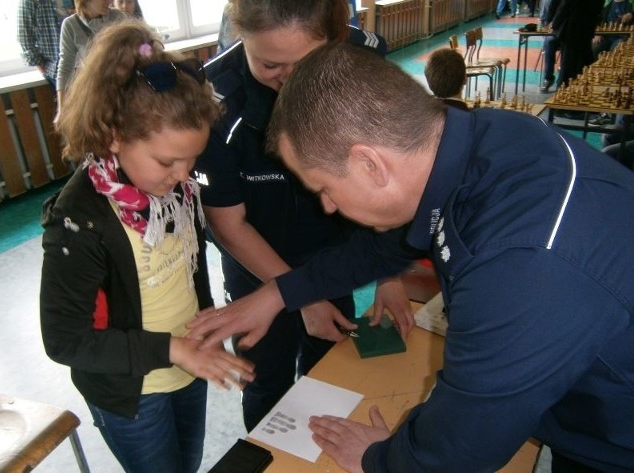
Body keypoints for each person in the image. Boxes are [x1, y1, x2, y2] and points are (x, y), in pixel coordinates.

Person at [190, 42, 634, 472]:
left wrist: (379, 459)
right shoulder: (483, 138)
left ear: (370, 164)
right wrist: (280, 294)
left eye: (323, 188)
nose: (325, 206)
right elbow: (384, 246)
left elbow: (461, 445)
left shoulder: (524, 263)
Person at [41, 20, 255, 473]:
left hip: (187, 370)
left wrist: (207, 325)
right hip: (131, 392)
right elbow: (65, 341)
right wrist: (174, 349)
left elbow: (187, 271)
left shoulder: (173, 191)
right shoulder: (79, 219)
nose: (182, 175)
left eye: (192, 160)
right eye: (167, 161)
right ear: (113, 136)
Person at [191, 0, 411, 432]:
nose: (289, 78)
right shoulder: (216, 102)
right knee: (264, 379)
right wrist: (301, 296)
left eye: (306, 62)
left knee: (329, 367)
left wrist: (390, 274)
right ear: (242, 39)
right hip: (257, 266)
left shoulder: (362, 68)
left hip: (334, 257)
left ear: (336, 41)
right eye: (270, 63)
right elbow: (228, 224)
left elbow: (386, 184)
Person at [55, 0, 125, 122]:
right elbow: (65, 68)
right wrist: (61, 110)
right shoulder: (70, 25)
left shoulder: (118, 17)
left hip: (124, 90)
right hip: (97, 95)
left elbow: (135, 49)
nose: (109, 2)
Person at [547, 0, 603, 89]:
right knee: (582, 62)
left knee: (567, 65)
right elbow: (599, 7)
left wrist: (555, 23)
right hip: (587, 28)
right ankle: (582, 89)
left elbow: (566, 5)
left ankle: (563, 91)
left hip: (572, 29)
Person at [16, 0, 70, 90]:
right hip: (57, 68)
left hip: (86, 63)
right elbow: (24, 37)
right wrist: (41, 66)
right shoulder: (30, 2)